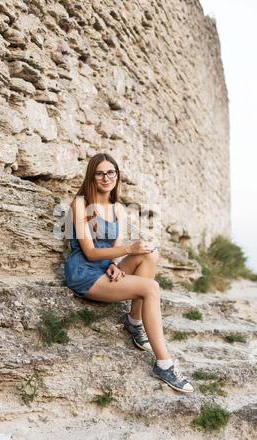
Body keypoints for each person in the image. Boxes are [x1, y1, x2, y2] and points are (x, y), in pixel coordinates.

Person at [64, 153, 193, 393]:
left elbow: (114, 248)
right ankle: (164, 364)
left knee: (149, 253)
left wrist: (116, 261)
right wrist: (127, 250)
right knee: (151, 288)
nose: (106, 178)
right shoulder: (80, 204)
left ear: (117, 175)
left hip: (104, 269)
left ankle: (134, 321)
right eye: (100, 173)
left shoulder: (119, 209)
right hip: (84, 272)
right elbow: (91, 252)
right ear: (92, 176)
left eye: (111, 172)